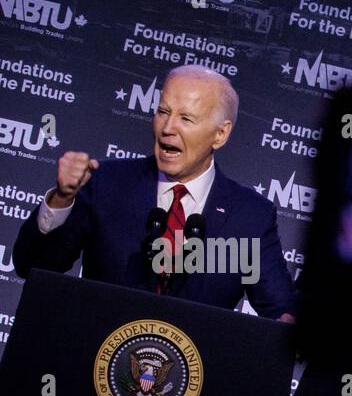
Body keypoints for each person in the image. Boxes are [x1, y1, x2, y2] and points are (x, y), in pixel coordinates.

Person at [12, 65, 297, 321]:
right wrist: (62, 198)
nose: (167, 128)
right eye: (163, 112)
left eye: (186, 118)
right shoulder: (107, 184)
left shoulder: (249, 216)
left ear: (220, 134)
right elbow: (34, 267)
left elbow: (280, 310)